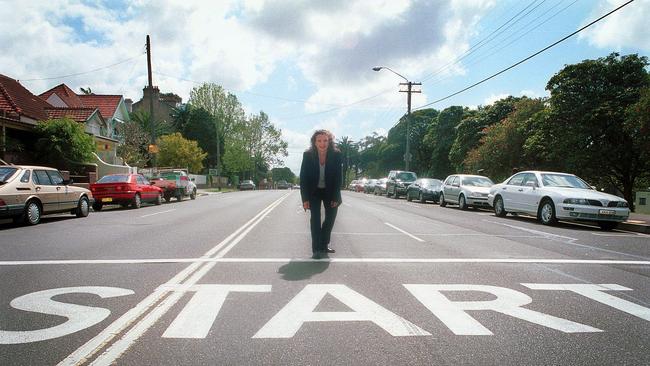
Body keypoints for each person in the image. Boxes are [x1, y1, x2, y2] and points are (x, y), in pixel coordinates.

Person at [300, 129, 343, 259]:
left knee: (330, 218)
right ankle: (317, 249)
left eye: (325, 140)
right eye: (319, 140)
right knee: (315, 220)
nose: (322, 143)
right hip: (314, 191)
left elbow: (338, 177)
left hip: (330, 191)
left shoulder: (336, 155)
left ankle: (324, 243)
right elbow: (303, 178)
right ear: (314, 142)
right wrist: (305, 199)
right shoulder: (307, 155)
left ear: (329, 141)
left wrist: (336, 196)